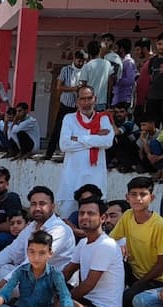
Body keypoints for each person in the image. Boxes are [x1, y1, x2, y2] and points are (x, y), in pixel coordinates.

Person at [61, 197, 125, 307]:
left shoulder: (106, 245)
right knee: (50, 287)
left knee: (64, 304)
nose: (84, 217)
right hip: (86, 301)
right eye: (81, 213)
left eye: (90, 214)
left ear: (102, 218)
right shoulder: (83, 243)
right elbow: (67, 272)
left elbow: (88, 285)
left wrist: (62, 299)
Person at [109, 176, 163, 307]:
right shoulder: (127, 215)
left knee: (127, 300)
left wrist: (138, 285)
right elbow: (109, 241)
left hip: (156, 279)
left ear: (152, 198)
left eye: (143, 194)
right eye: (134, 194)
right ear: (127, 197)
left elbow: (162, 265)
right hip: (134, 273)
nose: (138, 198)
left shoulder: (160, 226)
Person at [0, 186, 75, 286]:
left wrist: (2, 285)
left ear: (53, 207)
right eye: (33, 204)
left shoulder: (60, 230)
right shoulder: (32, 226)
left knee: (5, 280)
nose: (37, 208)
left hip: (51, 284)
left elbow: (35, 261)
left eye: (42, 204)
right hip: (30, 277)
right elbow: (11, 252)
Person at [56, 85, 114, 217]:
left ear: (95, 99)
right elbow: (64, 145)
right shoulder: (69, 118)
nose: (86, 103)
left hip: (95, 179)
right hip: (71, 180)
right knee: (67, 221)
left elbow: (107, 142)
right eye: (82, 99)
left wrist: (78, 137)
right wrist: (94, 136)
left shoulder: (103, 119)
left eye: (89, 98)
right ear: (77, 101)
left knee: (93, 223)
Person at [45, 50, 85, 160]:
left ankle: (69, 154)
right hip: (66, 104)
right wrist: (72, 89)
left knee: (76, 131)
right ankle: (49, 153)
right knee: (58, 128)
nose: (80, 63)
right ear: (74, 59)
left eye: (82, 61)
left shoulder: (85, 70)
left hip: (78, 106)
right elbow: (59, 87)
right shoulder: (66, 70)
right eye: (79, 61)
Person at [80, 41, 113, 111]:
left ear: (89, 52)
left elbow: (83, 86)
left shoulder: (86, 66)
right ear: (99, 50)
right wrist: (109, 100)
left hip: (88, 101)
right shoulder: (107, 64)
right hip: (102, 101)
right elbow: (110, 83)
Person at [112, 38, 137, 109]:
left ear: (122, 49)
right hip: (117, 96)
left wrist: (117, 80)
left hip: (124, 98)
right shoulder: (120, 61)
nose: (115, 50)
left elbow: (131, 80)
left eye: (116, 48)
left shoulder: (129, 62)